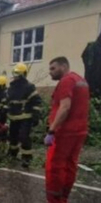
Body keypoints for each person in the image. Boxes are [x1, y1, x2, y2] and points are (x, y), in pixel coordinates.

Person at [44, 57, 89, 203]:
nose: (50, 72)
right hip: (79, 131)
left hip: (64, 132)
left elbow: (65, 107)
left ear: (63, 66)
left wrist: (51, 130)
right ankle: (63, 196)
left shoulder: (66, 81)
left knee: (55, 166)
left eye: (53, 68)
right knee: (70, 164)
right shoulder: (80, 80)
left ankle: (55, 199)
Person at [6, 63, 42, 168]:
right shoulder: (11, 87)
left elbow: (37, 101)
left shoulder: (29, 87)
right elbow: (8, 100)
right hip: (13, 117)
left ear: (23, 74)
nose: (15, 76)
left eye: (18, 74)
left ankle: (27, 158)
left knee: (24, 137)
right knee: (12, 137)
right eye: (15, 73)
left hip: (25, 117)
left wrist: (36, 116)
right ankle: (12, 154)